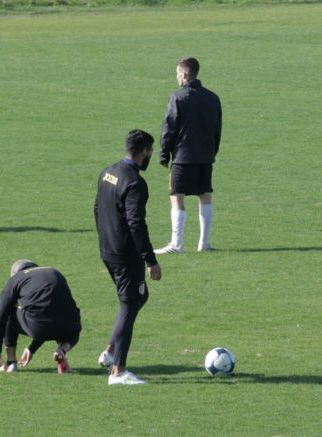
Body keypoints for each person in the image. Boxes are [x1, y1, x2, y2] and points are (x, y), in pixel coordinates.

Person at [94, 129, 162, 385]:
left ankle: (111, 351)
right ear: (144, 150)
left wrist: (105, 238)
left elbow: (97, 207)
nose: (151, 156)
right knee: (130, 303)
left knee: (138, 296)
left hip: (108, 250)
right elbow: (136, 224)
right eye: (151, 151)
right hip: (125, 255)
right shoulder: (134, 183)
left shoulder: (108, 172)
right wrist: (150, 260)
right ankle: (118, 371)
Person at [155, 56, 222, 254]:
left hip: (183, 158)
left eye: (177, 73)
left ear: (184, 74)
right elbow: (217, 129)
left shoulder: (178, 97)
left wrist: (164, 154)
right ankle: (204, 243)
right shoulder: (213, 98)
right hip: (205, 157)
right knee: (205, 195)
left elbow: (169, 127)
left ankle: (177, 244)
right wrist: (212, 151)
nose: (176, 77)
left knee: (177, 196)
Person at [0, 259, 82, 373]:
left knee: (9, 311)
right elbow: (50, 313)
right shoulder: (53, 271)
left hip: (40, 327)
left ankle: (11, 362)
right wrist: (31, 349)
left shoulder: (16, 279)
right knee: (68, 323)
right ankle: (61, 350)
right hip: (71, 326)